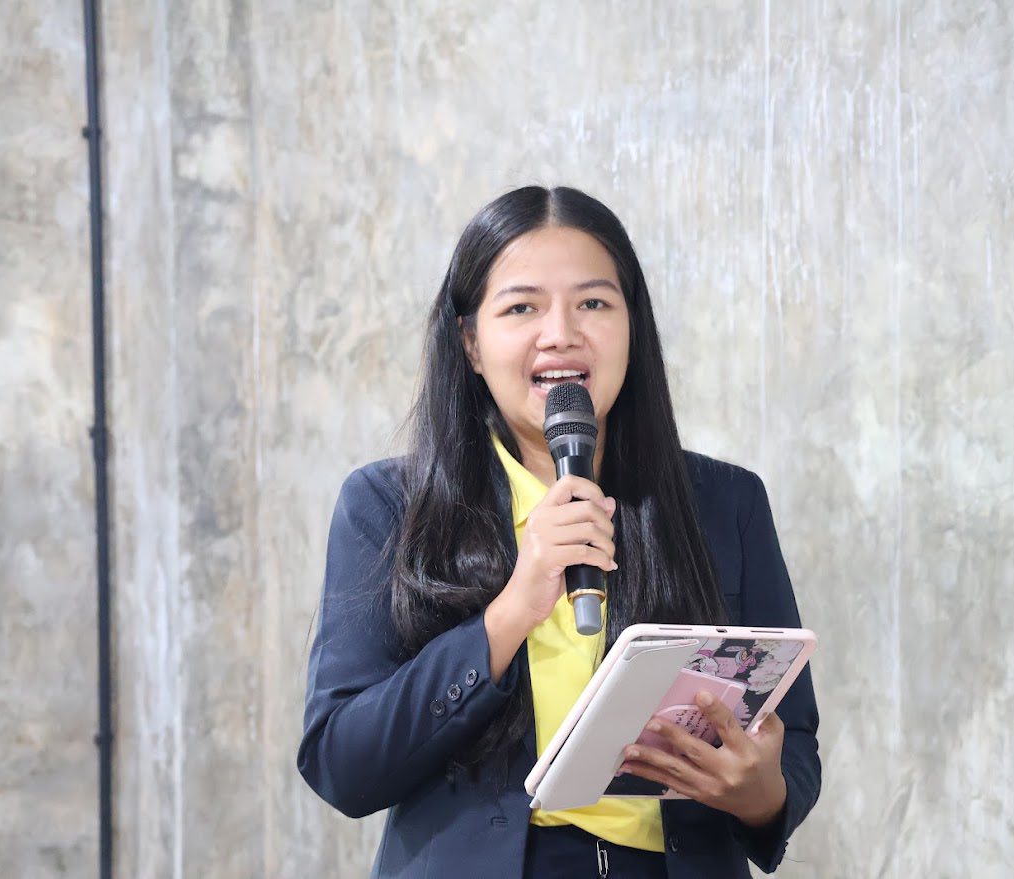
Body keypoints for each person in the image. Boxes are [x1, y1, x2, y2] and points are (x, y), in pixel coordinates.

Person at [298, 186, 820, 878]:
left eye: (593, 304)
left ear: (633, 326)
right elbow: (342, 762)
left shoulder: (726, 502)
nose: (561, 333)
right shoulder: (388, 506)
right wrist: (513, 608)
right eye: (522, 308)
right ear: (470, 342)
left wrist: (759, 792)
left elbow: (795, 744)